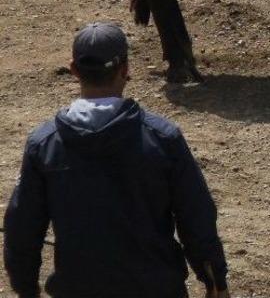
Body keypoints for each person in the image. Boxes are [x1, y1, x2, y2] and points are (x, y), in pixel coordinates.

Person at [3, 22, 229, 298]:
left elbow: (22, 228)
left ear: (74, 70)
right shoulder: (162, 138)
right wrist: (214, 280)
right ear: (125, 70)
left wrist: (26, 287)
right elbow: (196, 217)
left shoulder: (45, 144)